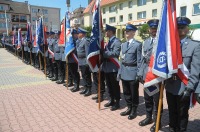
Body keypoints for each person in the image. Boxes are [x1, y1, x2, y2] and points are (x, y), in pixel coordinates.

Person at [165, 17, 200, 132]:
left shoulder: (195, 46)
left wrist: (189, 89)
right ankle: (172, 128)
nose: (179, 29)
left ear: (187, 29)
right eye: (177, 27)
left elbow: (195, 70)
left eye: (182, 27)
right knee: (172, 111)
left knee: (182, 113)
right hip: (170, 84)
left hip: (183, 85)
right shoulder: (169, 46)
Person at [137, 19, 163, 131]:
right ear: (149, 29)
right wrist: (140, 73)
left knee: (157, 100)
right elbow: (143, 60)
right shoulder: (146, 42)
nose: (153, 30)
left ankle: (158, 121)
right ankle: (149, 117)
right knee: (147, 98)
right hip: (147, 76)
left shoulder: (163, 42)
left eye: (156, 28)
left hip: (157, 77)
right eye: (152, 28)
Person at [118, 24, 141, 119]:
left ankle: (134, 110)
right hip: (124, 71)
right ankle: (129, 107)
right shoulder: (123, 44)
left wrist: (138, 74)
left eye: (128, 31)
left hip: (133, 72)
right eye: (125, 31)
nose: (126, 32)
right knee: (126, 92)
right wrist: (119, 72)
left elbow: (139, 60)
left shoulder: (138, 45)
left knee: (133, 93)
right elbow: (121, 60)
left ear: (133, 32)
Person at [102, 24, 121, 111]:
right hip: (106, 67)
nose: (105, 32)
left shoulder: (116, 42)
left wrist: (104, 53)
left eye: (107, 31)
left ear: (111, 32)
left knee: (115, 86)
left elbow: (115, 53)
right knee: (109, 85)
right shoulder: (108, 41)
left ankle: (117, 102)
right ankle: (111, 100)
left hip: (113, 67)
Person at [74, 27, 92, 95]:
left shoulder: (86, 41)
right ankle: (85, 88)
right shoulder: (80, 41)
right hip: (81, 61)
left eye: (79, 33)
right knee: (83, 76)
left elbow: (87, 53)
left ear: (83, 34)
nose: (78, 34)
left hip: (85, 61)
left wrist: (88, 63)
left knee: (87, 76)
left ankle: (89, 89)